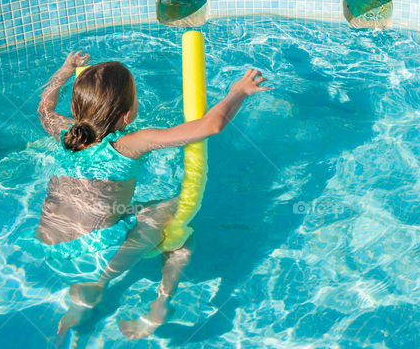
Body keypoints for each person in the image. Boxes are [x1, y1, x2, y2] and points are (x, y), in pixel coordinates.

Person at [30, 51, 271, 339]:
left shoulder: (65, 131)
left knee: (159, 224)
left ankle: (84, 304)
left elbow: (44, 106)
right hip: (98, 249)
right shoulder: (130, 143)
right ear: (127, 115)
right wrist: (237, 92)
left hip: (50, 241)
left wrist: (66, 69)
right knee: (181, 218)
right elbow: (210, 126)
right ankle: (151, 299)